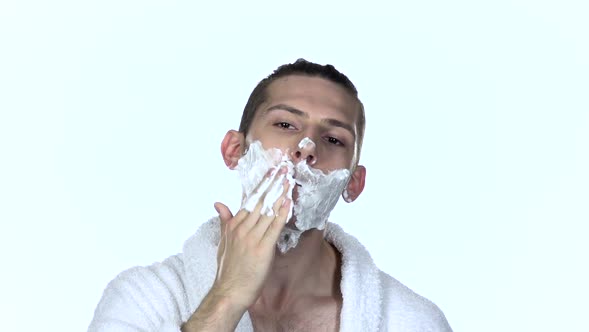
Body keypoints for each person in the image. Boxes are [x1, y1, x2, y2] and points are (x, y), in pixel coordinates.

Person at [88, 59, 453, 332]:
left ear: (353, 184)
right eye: (285, 125)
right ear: (235, 150)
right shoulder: (143, 299)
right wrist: (226, 299)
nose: (306, 148)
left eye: (333, 139)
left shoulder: (411, 321)